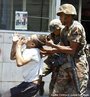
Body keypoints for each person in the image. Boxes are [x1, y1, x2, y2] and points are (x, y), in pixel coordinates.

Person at [44, 3, 89, 97]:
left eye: (61, 16)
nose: (60, 18)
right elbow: (62, 47)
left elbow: (72, 50)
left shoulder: (76, 27)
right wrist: (49, 51)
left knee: (77, 93)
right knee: (57, 93)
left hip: (77, 65)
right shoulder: (64, 30)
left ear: (68, 16)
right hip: (66, 64)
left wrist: (53, 46)